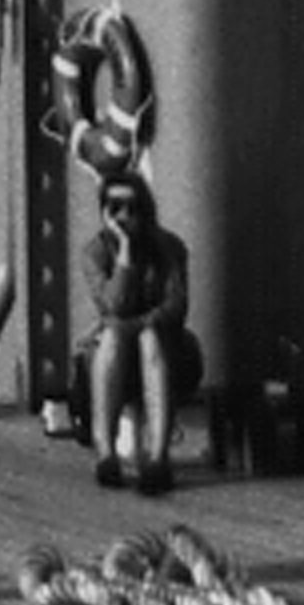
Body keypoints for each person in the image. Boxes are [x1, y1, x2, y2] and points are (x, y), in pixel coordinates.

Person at [83, 165, 203, 494]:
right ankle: (105, 453)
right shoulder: (95, 252)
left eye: (132, 209)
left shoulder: (170, 248)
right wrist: (123, 254)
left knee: (148, 338)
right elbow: (113, 304)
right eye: (114, 208)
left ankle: (158, 457)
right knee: (110, 338)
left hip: (166, 354)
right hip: (117, 356)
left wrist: (134, 326)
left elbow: (175, 307)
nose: (123, 217)